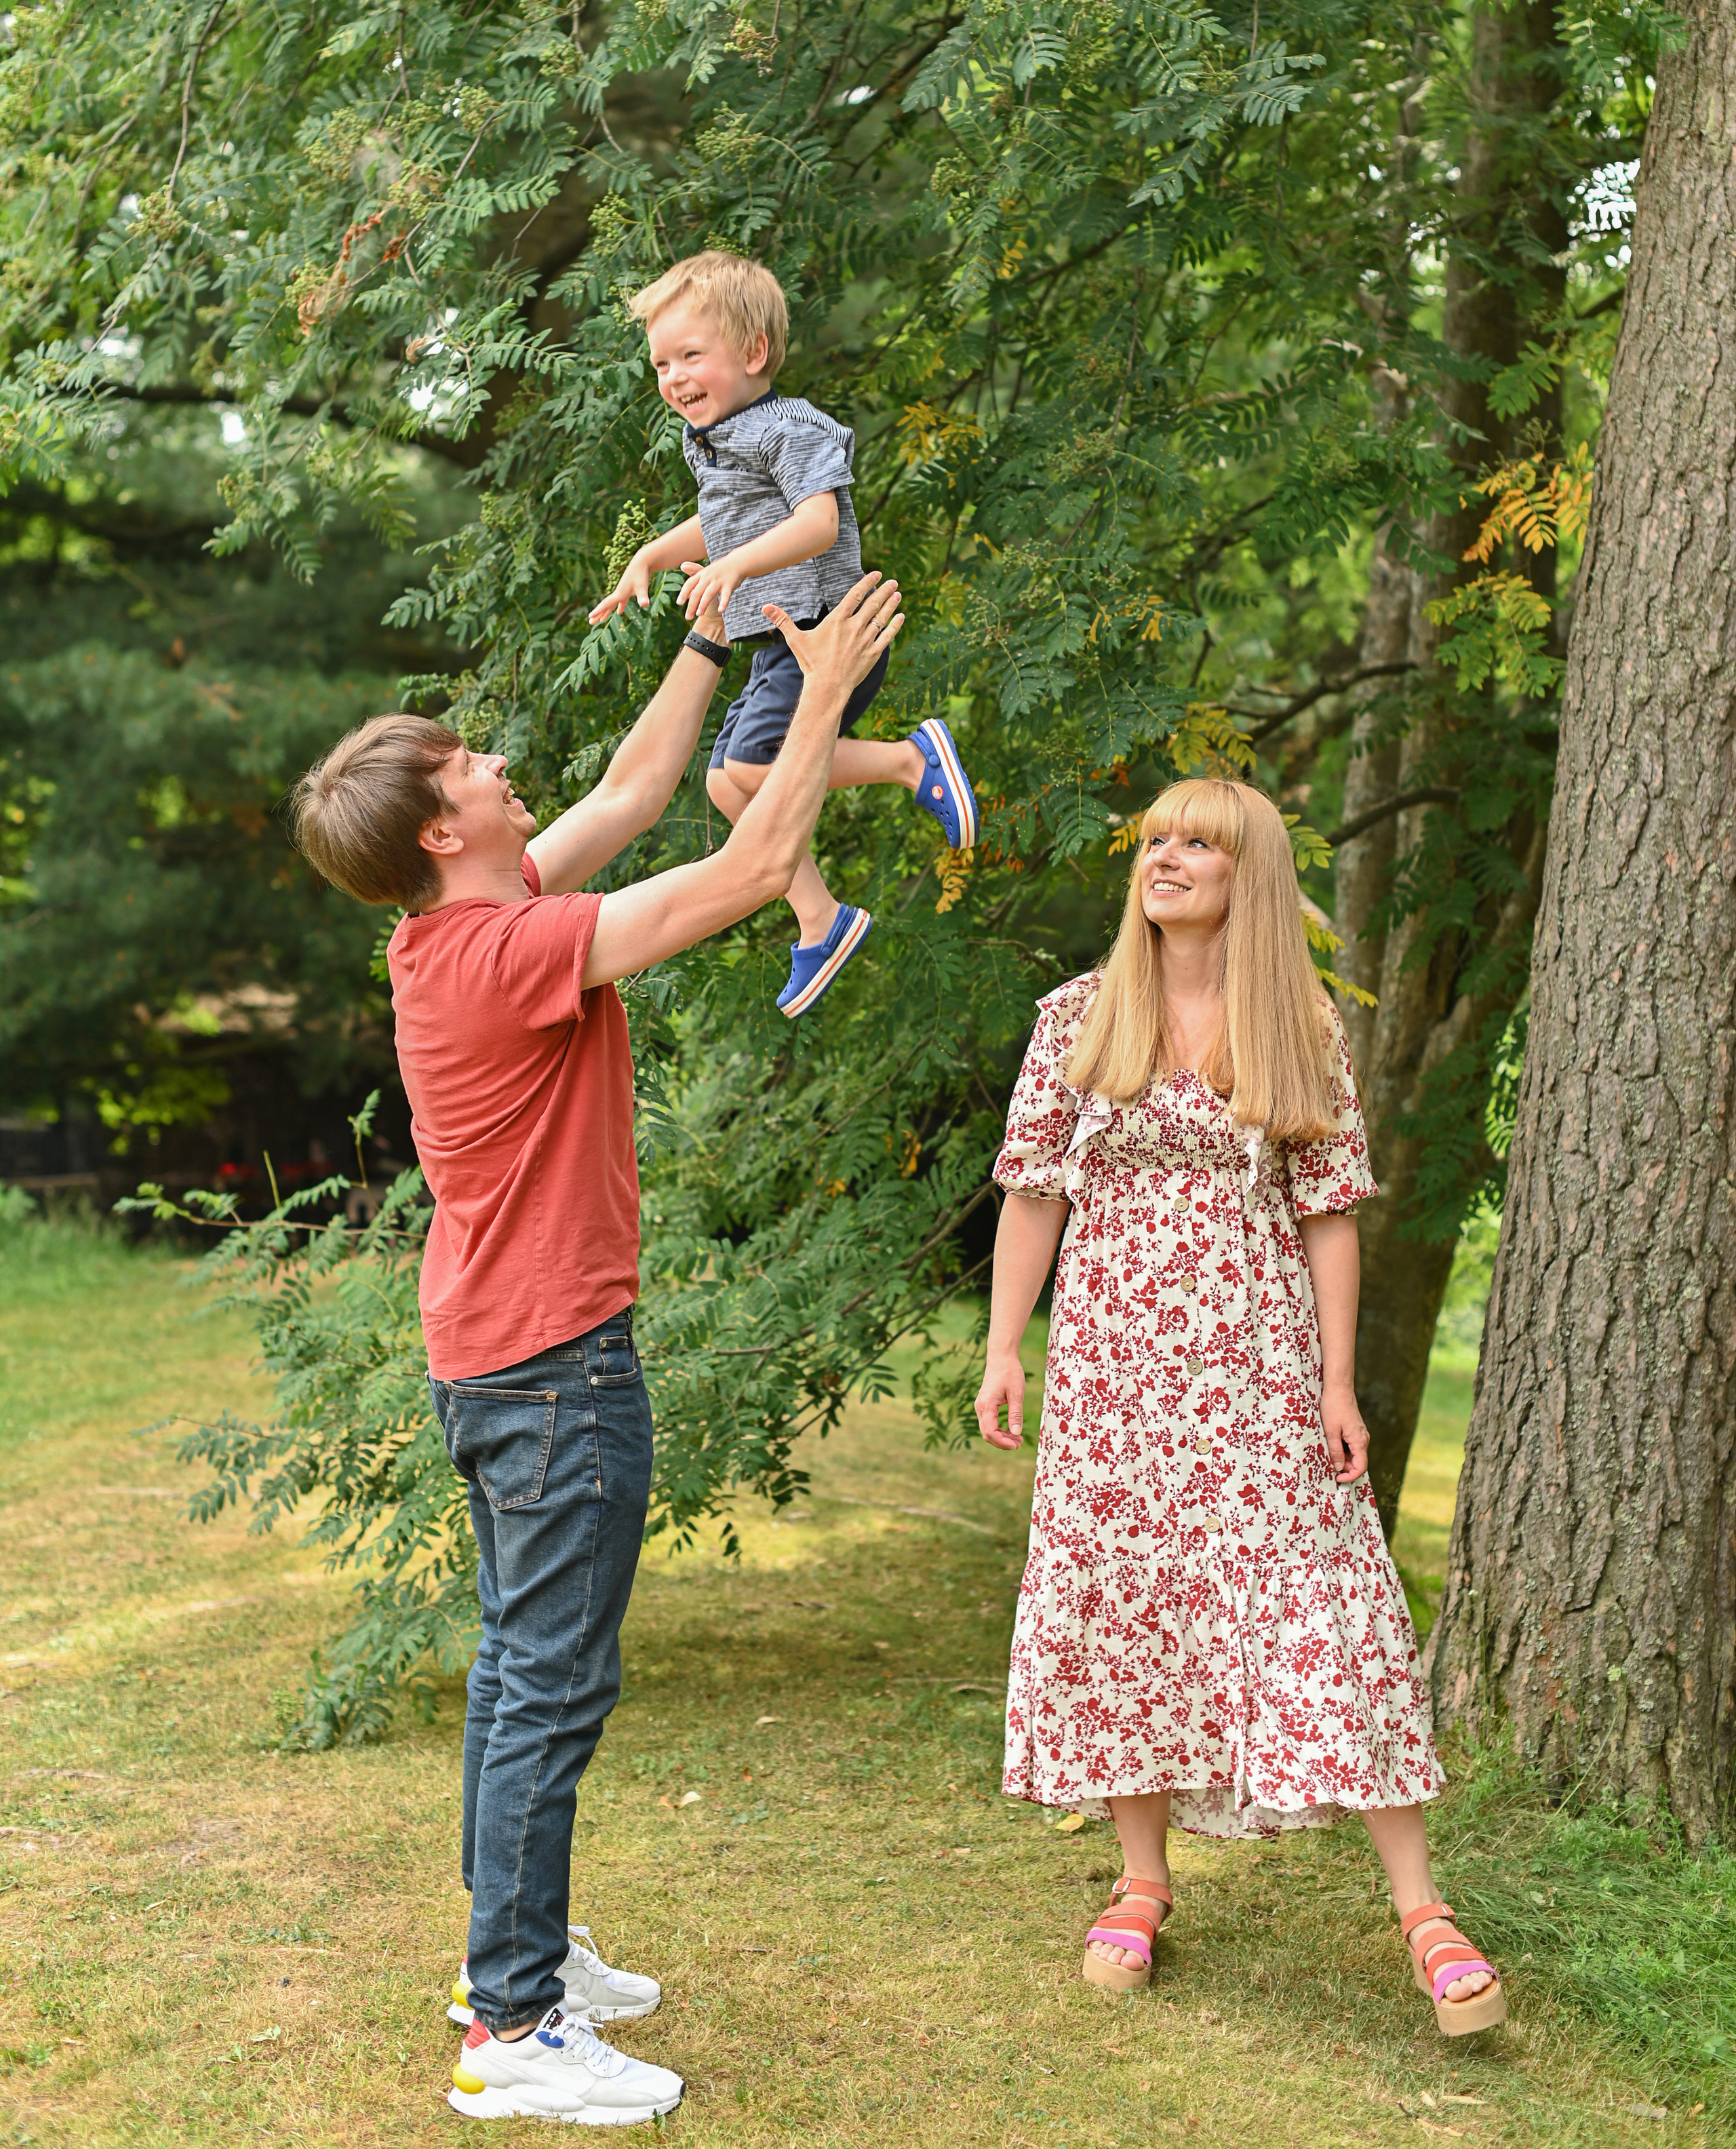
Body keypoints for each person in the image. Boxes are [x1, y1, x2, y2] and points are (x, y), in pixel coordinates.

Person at [291, 572, 905, 2125]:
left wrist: (711, 636)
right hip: (553, 1369)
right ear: (441, 826)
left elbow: (637, 792)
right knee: (548, 1687)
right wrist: (817, 687)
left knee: (521, 1678)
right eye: (471, 766)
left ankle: (520, 1955)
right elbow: (754, 855)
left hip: (503, 1356)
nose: (500, 766)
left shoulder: (466, 927)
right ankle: (512, 2029)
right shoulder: (503, 954)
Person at [973, 777, 1506, 2038]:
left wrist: (1333, 1378)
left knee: (1326, 1600)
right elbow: (1032, 1193)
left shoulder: (1299, 1022)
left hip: (1259, 1367)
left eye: (1198, 843)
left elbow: (1329, 1207)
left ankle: (1422, 1908)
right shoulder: (1077, 1017)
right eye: (1156, 840)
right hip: (1113, 1374)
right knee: (1127, 1599)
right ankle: (1142, 1877)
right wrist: (1005, 1347)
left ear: (1247, 874)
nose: (1167, 857)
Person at [587, 248, 977, 1018]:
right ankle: (820, 918)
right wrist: (654, 554)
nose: (673, 377)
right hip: (779, 641)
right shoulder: (720, 441)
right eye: (662, 363)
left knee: (756, 766)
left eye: (690, 356)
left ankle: (910, 759)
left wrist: (732, 566)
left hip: (825, 634)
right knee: (725, 781)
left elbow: (817, 522)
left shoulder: (789, 429)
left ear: (753, 353)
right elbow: (726, 519)